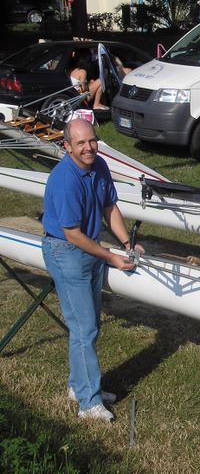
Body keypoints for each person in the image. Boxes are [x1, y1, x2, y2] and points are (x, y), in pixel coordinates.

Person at [42, 118, 144, 422]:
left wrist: (126, 242)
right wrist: (111, 258)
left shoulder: (98, 165)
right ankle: (88, 403)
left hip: (89, 246)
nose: (89, 148)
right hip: (66, 250)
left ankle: (79, 386)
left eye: (92, 140)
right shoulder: (65, 180)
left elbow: (109, 207)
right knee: (83, 328)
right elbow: (72, 234)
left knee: (89, 327)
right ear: (67, 146)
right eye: (81, 143)